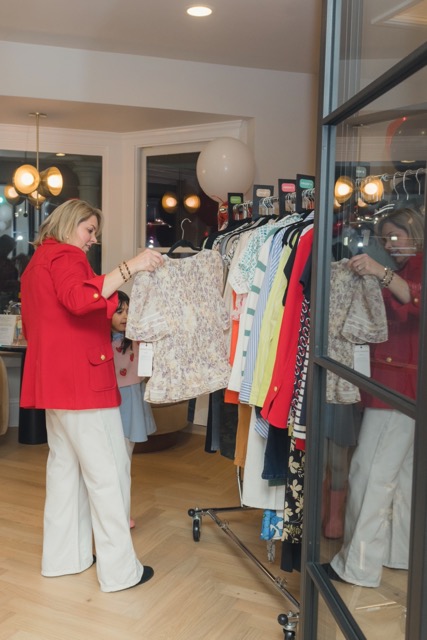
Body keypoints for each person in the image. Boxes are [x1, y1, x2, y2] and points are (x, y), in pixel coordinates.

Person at [20, 199, 164, 593]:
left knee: (65, 473)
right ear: (70, 224)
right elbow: (79, 298)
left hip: (54, 384)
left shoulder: (39, 261)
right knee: (108, 475)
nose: (92, 240)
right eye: (89, 230)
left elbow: (61, 314)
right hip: (83, 383)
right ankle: (120, 572)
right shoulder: (66, 256)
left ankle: (65, 558)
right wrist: (132, 266)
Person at [325, 205, 424, 587]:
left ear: (413, 230)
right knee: (400, 476)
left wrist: (378, 271)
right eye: (386, 238)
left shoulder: (413, 268)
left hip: (398, 389)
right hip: (402, 386)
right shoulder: (407, 268)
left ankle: (359, 565)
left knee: (369, 472)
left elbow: (415, 298)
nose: (391, 243)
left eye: (395, 235)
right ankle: (397, 554)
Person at [111, 290, 157, 529]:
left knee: (124, 461)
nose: (125, 316)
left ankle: (122, 513)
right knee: (110, 463)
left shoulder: (137, 340)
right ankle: (111, 514)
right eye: (119, 311)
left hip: (131, 403)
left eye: (128, 311)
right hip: (110, 402)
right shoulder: (99, 340)